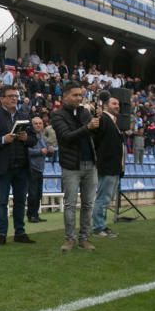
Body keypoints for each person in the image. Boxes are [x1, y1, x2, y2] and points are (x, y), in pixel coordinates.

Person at [0, 85, 35, 245]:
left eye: (16, 96)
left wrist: (26, 139)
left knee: (20, 201)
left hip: (22, 166)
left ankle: (20, 232)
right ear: (2, 98)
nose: (14, 99)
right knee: (2, 201)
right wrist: (3, 139)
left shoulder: (24, 115)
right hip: (3, 167)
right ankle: (1, 234)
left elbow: (34, 140)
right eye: (10, 96)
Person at [51, 81, 100, 252]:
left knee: (88, 204)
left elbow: (94, 133)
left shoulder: (85, 112)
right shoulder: (57, 116)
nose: (79, 98)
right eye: (75, 95)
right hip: (71, 165)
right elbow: (66, 137)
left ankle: (84, 238)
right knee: (70, 204)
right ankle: (70, 239)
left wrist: (98, 121)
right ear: (65, 96)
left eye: (81, 95)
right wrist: (87, 127)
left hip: (90, 164)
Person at [91, 95, 125, 238]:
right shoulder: (103, 119)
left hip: (114, 166)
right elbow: (96, 139)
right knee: (103, 198)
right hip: (107, 165)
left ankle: (102, 225)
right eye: (114, 103)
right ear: (105, 105)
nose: (117, 106)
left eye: (118, 103)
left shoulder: (112, 121)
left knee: (105, 198)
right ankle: (98, 227)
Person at [26, 116, 51, 223]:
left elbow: (46, 150)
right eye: (36, 123)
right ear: (32, 125)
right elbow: (27, 151)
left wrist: (49, 150)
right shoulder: (29, 136)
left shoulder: (42, 137)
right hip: (31, 167)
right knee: (33, 193)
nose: (38, 125)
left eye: (40, 123)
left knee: (38, 193)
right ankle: (31, 215)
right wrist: (40, 152)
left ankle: (35, 214)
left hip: (40, 168)